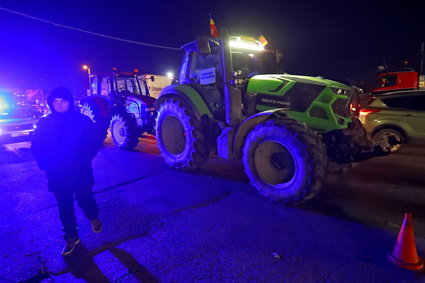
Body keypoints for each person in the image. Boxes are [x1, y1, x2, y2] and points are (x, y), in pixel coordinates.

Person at [32, 87, 103, 255]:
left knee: (85, 199)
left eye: (63, 101)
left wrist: (83, 160)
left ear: (69, 102)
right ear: (51, 103)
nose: (59, 105)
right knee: (65, 206)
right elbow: (36, 146)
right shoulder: (45, 123)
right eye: (56, 101)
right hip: (57, 173)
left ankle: (93, 217)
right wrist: (44, 164)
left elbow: (94, 142)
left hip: (80, 171)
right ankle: (72, 237)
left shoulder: (82, 121)